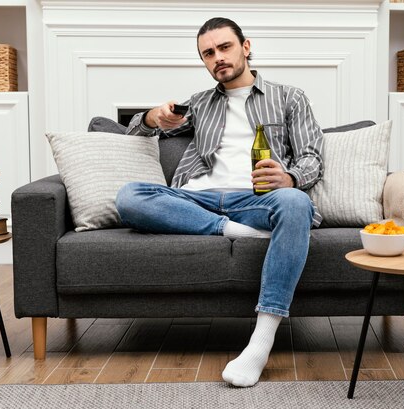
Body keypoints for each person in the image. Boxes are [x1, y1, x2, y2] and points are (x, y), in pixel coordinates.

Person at [116, 17, 324, 387]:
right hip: (196, 198)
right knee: (130, 196)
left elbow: (313, 157)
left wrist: (290, 178)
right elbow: (135, 129)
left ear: (245, 47)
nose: (218, 58)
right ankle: (232, 231)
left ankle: (260, 342)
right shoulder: (198, 104)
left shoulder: (290, 97)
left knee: (295, 203)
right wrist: (152, 116)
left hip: (256, 198)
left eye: (224, 47)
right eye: (208, 53)